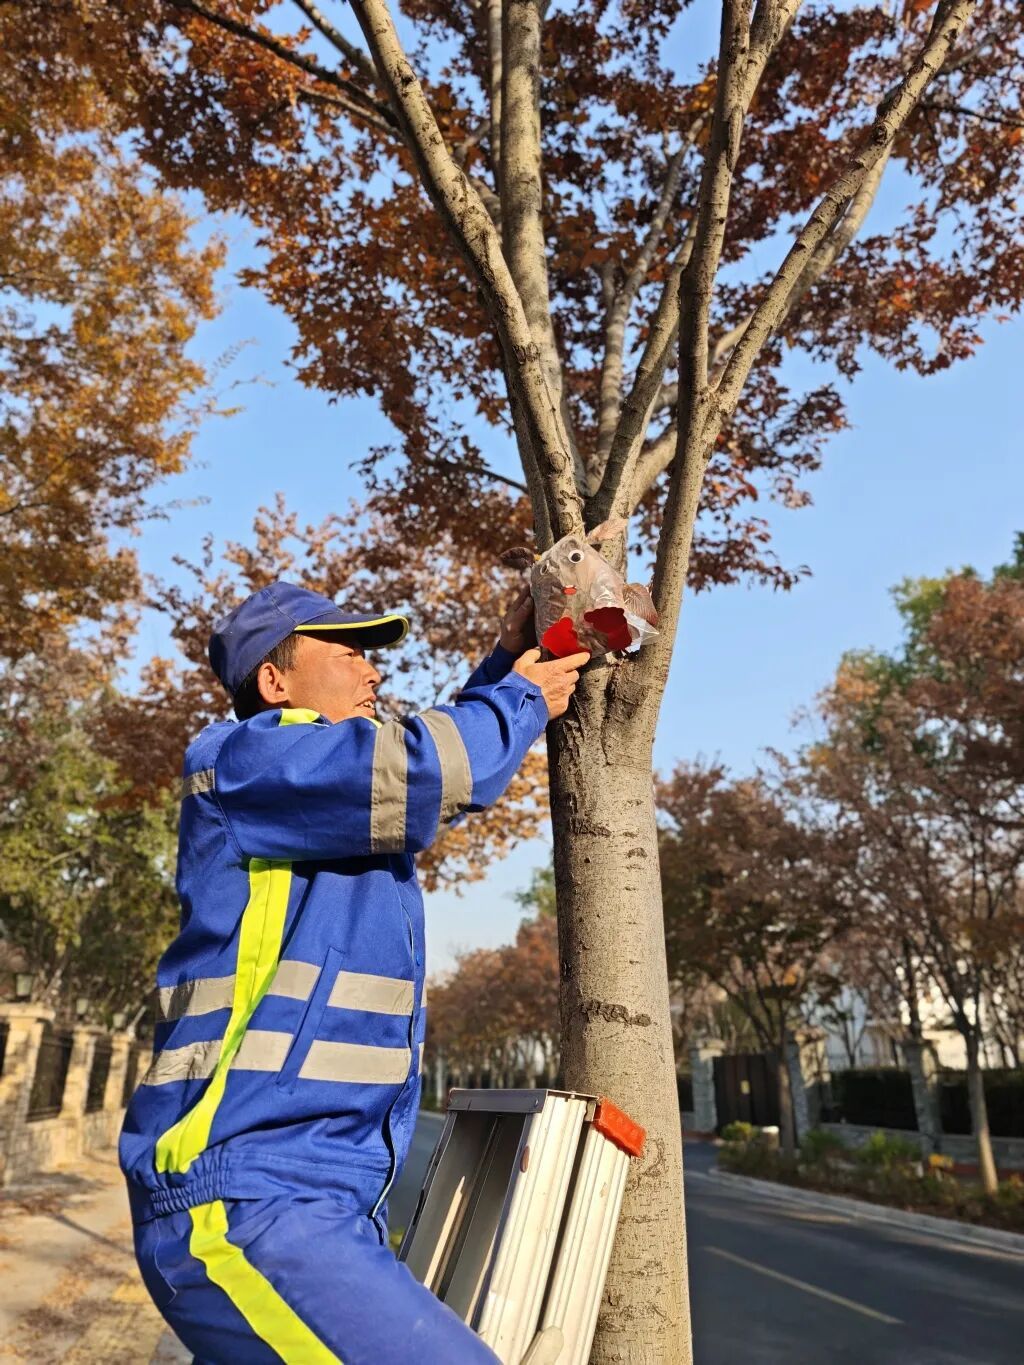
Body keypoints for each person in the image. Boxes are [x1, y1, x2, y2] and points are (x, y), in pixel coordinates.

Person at [119, 579, 588, 1364]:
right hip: (248, 1200)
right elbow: (423, 771)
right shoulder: (246, 759)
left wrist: (507, 657)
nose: (373, 671)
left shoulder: (325, 798)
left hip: (308, 1199)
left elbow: (424, 772)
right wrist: (521, 697)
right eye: (346, 653)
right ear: (276, 682)